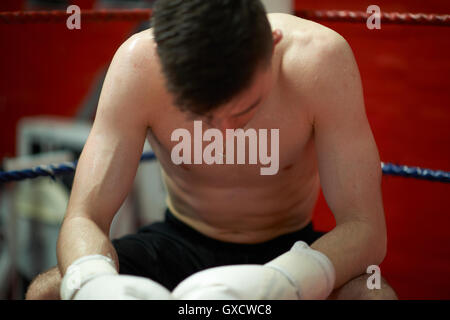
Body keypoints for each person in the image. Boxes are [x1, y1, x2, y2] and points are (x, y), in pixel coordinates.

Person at [26, 0, 397, 300]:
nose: (225, 131)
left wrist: (291, 279)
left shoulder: (319, 61)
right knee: (47, 291)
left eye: (244, 111)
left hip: (289, 245)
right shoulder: (139, 65)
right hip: (180, 240)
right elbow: (84, 217)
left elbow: (365, 228)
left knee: (373, 294)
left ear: (273, 44)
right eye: (202, 116)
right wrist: (94, 282)